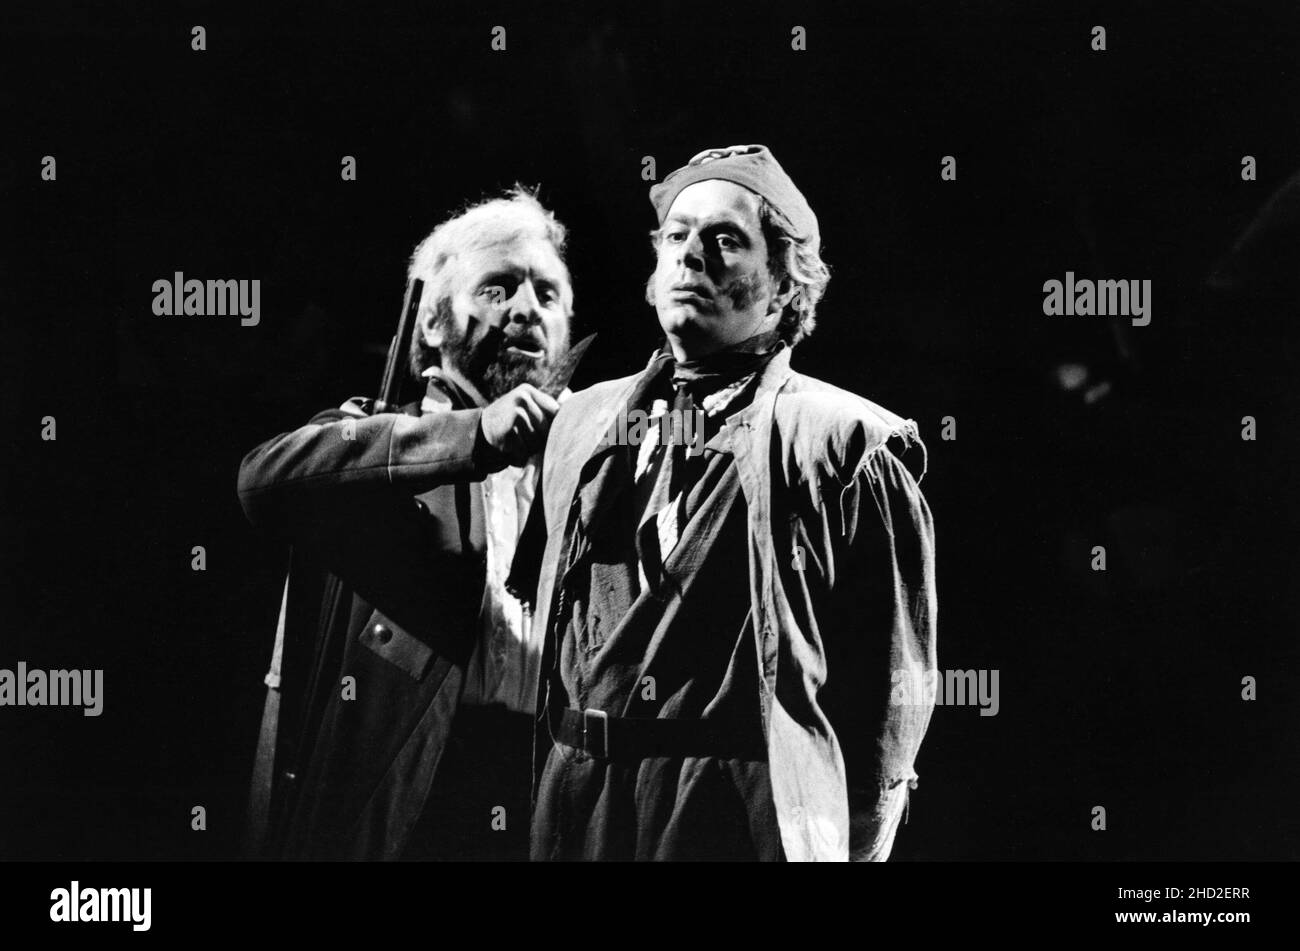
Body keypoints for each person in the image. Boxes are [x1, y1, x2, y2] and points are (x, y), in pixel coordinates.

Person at [509, 145, 938, 861]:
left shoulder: (845, 444)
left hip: (732, 816)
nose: (691, 257)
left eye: (725, 240)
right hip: (577, 809)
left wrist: (846, 844)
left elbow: (891, 695)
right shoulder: (580, 425)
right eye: (676, 237)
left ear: (781, 286)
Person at [238, 186, 573, 860]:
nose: (525, 310)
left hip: (541, 791)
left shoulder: (579, 468)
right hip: (409, 797)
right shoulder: (373, 439)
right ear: (432, 321)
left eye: (547, 292)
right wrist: (476, 432)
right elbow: (263, 479)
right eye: (497, 287)